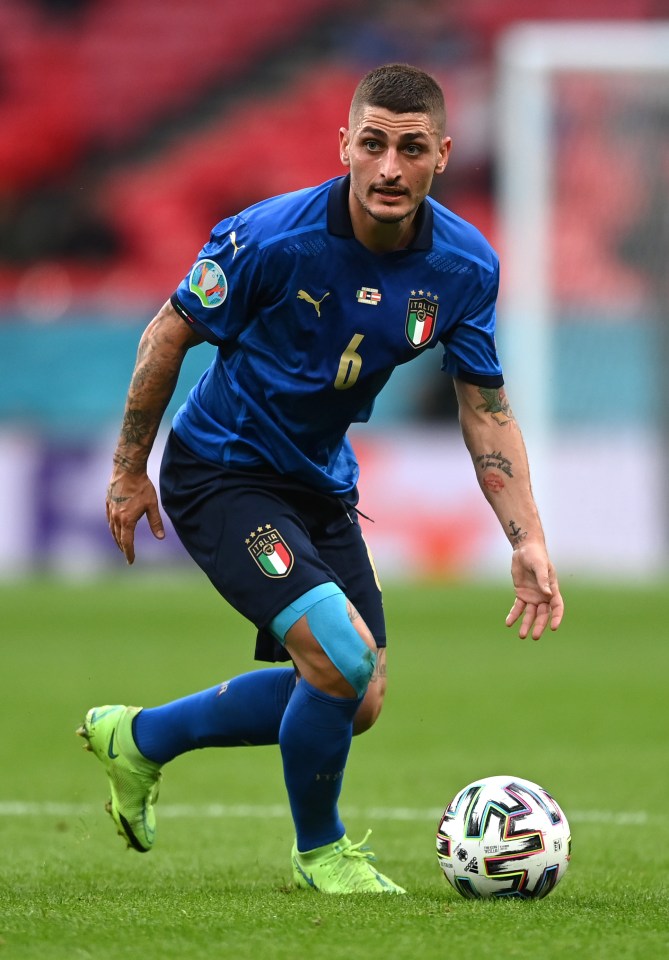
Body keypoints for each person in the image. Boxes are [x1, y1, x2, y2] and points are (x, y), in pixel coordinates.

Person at [77, 63, 563, 895]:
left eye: (409, 149)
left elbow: (485, 409)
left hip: (319, 482)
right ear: (343, 145)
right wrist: (129, 471)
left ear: (441, 155)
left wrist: (527, 538)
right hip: (222, 472)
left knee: (355, 694)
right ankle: (321, 853)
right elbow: (167, 334)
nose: (387, 168)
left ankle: (140, 738)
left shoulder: (463, 266)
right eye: (371, 144)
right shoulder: (267, 238)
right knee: (339, 656)